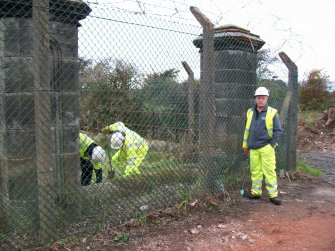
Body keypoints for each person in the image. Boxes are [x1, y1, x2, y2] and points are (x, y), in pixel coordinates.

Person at [242, 87, 282, 205]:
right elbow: (247, 131)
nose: (260, 100)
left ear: (267, 98)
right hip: (253, 148)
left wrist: (271, 145)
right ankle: (256, 193)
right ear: (255, 98)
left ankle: (273, 196)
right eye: (258, 97)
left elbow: (277, 130)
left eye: (263, 97)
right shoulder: (250, 112)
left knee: (269, 171)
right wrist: (245, 146)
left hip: (266, 148)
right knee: (255, 172)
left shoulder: (272, 112)